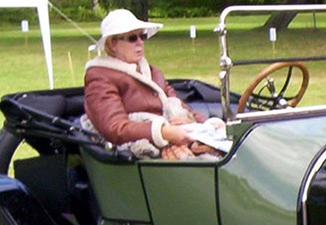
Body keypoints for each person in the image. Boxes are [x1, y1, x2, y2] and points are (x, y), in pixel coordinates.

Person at [83, 9, 223, 160]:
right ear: (112, 44)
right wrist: (162, 132)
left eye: (142, 36)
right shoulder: (99, 77)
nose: (140, 42)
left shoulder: (152, 72)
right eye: (132, 38)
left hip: (175, 138)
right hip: (139, 151)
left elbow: (176, 102)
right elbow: (115, 128)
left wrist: (201, 123)